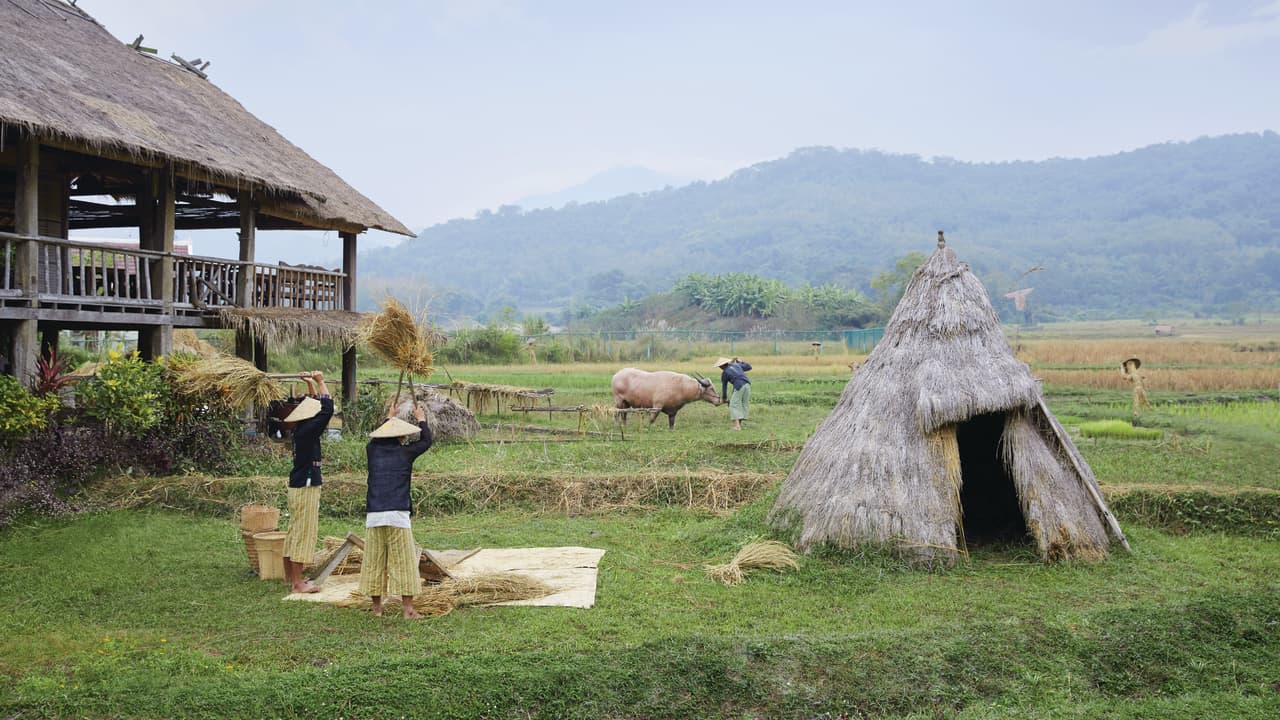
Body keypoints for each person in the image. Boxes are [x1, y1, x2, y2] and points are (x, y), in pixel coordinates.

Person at [359, 404, 434, 619]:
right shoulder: (405, 452)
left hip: (374, 515)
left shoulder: (372, 451)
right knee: (403, 561)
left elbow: (374, 440)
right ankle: (408, 609)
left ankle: (377, 609)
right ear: (401, 437)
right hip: (397, 514)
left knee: (374, 560)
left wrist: (388, 418)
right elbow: (426, 441)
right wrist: (421, 419)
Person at [281, 371, 333, 593]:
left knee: (295, 529)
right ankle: (297, 583)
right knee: (303, 532)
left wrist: (310, 384)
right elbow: (327, 408)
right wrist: (321, 382)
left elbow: (315, 406)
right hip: (306, 485)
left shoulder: (302, 430)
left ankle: (289, 577)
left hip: (298, 484)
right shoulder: (307, 433)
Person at [716, 356, 752, 431]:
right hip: (747, 385)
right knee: (743, 404)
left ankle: (737, 427)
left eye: (720, 366)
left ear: (722, 365)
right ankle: (739, 424)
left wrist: (724, 398)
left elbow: (724, 387)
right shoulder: (736, 365)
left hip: (739, 386)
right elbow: (749, 367)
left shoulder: (724, 373)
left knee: (733, 405)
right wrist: (741, 362)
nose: (720, 367)